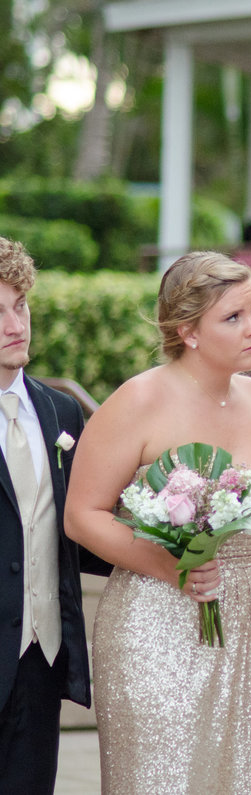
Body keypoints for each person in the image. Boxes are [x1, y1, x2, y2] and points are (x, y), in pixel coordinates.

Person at [64, 251, 251, 794]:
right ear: (187, 331)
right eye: (233, 318)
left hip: (250, 623)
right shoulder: (137, 400)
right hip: (156, 625)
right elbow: (81, 515)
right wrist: (171, 567)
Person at [0, 236, 110, 794]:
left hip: (39, 659)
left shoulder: (60, 409)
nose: (14, 323)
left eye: (19, 304)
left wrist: (174, 540)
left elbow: (79, 529)